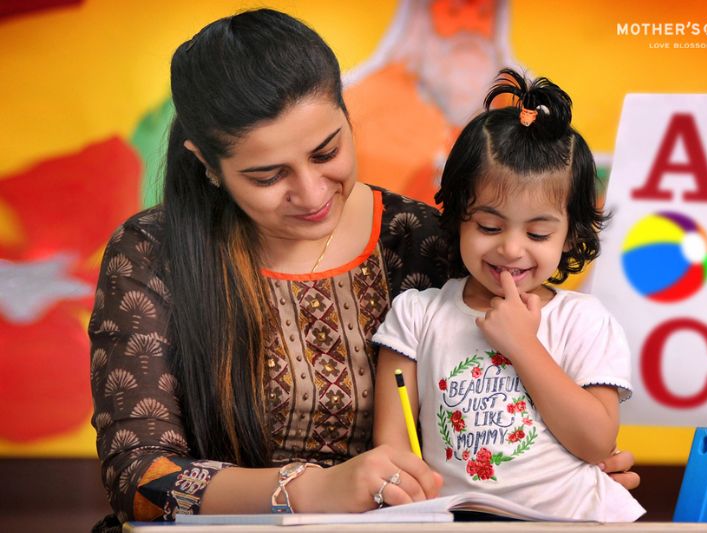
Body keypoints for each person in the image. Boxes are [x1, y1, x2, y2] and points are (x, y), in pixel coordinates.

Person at [88, 9, 638, 530]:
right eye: (266, 176)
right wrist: (305, 490)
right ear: (207, 165)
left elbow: (500, 402)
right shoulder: (151, 253)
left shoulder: (423, 240)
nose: (309, 193)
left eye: (326, 153)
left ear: (347, 114)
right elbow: (139, 478)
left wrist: (552, 473)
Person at [373, 69, 645, 521]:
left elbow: (597, 441)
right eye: (489, 226)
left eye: (538, 232)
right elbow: (393, 449)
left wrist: (522, 344)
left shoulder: (584, 319)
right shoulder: (416, 315)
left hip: (576, 520)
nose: (511, 248)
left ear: (571, 237)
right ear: (458, 216)